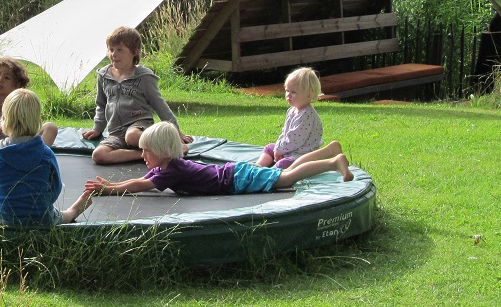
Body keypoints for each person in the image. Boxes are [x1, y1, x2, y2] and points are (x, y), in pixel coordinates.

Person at [85, 121, 352, 198]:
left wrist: (109, 189)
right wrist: (109, 186)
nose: (142, 156)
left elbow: (139, 186)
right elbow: (143, 180)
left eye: (146, 152)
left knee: (287, 177)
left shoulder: (170, 172)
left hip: (236, 179)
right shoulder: (168, 166)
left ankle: (332, 162)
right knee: (285, 172)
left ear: (162, 152)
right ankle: (329, 155)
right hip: (233, 173)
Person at [0, 89, 93, 225]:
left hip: (4, 217)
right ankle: (73, 211)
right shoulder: (46, 153)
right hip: (41, 219)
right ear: (38, 121)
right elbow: (56, 188)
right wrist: (43, 205)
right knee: (59, 216)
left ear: (3, 119)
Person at [82, 26, 191, 164]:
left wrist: (176, 132)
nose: (113, 54)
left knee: (132, 136)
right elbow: (101, 104)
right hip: (116, 132)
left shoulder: (144, 77)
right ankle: (145, 154)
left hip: (140, 127)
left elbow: (159, 105)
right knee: (98, 155)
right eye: (111, 49)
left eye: (119, 50)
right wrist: (97, 128)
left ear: (134, 52)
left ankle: (168, 147)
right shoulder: (103, 75)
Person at [255, 67, 325, 168]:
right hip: (290, 150)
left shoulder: (306, 115)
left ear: (309, 95)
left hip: (302, 155)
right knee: (269, 148)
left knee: (283, 163)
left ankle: (268, 174)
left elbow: (295, 139)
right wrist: (277, 147)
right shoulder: (292, 110)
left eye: (293, 92)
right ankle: (258, 166)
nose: (288, 95)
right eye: (287, 91)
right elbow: (285, 132)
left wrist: (280, 150)